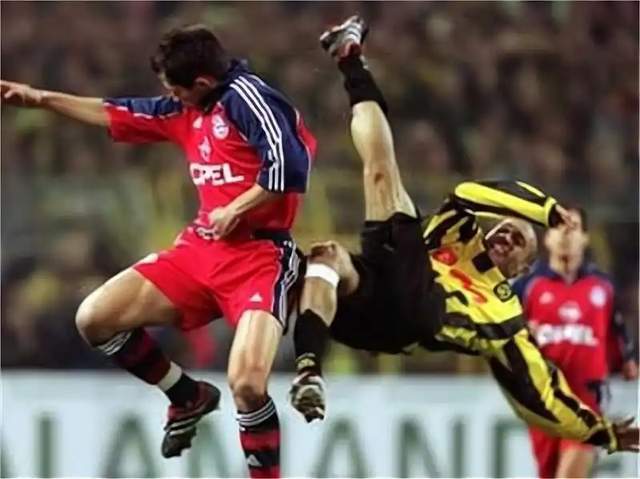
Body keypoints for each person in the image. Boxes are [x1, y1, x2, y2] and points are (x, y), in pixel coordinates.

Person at [287, 15, 639, 455]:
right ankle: (308, 371)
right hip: (370, 307)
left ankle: (350, 61)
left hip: (416, 315)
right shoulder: (459, 237)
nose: (506, 236)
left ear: (522, 269)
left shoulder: (503, 314)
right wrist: (544, 210)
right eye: (506, 228)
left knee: (388, 182)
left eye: (518, 242)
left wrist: (601, 433)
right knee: (328, 252)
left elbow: (539, 393)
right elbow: (470, 194)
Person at [1, 24, 316, 477]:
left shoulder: (249, 100)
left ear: (202, 82)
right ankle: (186, 396)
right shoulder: (189, 107)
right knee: (95, 318)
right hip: (200, 251)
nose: (170, 96)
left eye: (175, 88)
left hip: (259, 258)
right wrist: (39, 98)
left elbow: (290, 166)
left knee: (248, 384)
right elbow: (114, 112)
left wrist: (237, 208)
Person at [513, 207, 639, 478]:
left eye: (573, 228)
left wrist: (629, 360)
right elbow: (503, 336)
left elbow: (618, 331)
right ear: (547, 238)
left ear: (585, 237)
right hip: (544, 401)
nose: (566, 234)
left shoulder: (602, 287)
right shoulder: (528, 287)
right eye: (559, 227)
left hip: (587, 399)